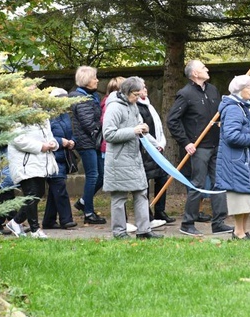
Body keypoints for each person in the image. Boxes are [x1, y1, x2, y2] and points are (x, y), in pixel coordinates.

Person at [167, 59, 233, 237]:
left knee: (219, 184)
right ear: (195, 74)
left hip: (215, 145)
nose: (207, 69)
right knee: (197, 185)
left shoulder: (212, 90)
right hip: (198, 148)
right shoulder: (185, 94)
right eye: (203, 67)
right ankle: (187, 223)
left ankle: (218, 222)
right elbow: (172, 120)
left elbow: (219, 114)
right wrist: (186, 142)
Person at [103, 76, 163, 239]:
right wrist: (133, 131)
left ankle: (144, 231)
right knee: (119, 197)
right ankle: (119, 232)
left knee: (141, 193)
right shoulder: (114, 107)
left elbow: (140, 128)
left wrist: (154, 142)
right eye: (136, 94)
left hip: (134, 159)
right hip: (118, 160)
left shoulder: (133, 106)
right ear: (126, 92)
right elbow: (108, 134)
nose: (139, 97)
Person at [215, 75, 250, 240]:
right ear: (239, 89)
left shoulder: (240, 107)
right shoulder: (233, 109)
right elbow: (231, 136)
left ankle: (243, 231)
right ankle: (238, 232)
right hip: (236, 161)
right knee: (241, 197)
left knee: (248, 196)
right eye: (249, 86)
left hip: (244, 160)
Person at [5, 118, 59, 238]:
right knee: (31, 194)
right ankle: (35, 229)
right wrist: (40, 146)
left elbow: (48, 135)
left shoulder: (42, 115)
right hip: (24, 162)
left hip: (40, 160)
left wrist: (53, 143)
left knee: (38, 193)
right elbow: (17, 138)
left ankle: (15, 222)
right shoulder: (19, 114)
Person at [70, 66, 106, 225]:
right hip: (86, 143)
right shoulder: (81, 98)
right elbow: (88, 123)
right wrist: (102, 130)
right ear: (86, 80)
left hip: (94, 142)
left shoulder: (91, 96)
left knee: (102, 175)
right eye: (94, 78)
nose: (97, 80)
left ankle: (84, 201)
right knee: (93, 176)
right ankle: (89, 213)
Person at [137, 84, 175, 224]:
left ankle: (160, 210)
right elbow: (142, 130)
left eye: (146, 87)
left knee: (162, 178)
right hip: (146, 149)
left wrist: (162, 143)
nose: (145, 90)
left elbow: (158, 127)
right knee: (145, 182)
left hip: (157, 148)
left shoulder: (149, 105)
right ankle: (147, 213)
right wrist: (154, 144)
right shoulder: (137, 108)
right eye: (142, 88)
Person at [42, 88, 78, 230]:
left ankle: (48, 221)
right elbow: (45, 137)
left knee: (54, 191)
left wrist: (72, 141)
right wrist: (59, 141)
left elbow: (72, 132)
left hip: (64, 156)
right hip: (52, 157)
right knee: (59, 187)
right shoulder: (46, 116)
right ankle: (66, 219)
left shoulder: (65, 115)